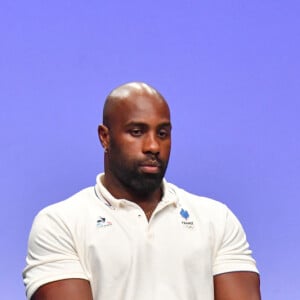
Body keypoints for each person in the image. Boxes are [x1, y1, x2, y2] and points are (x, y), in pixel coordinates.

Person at [23, 82, 261, 300]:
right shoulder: (60, 223)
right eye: (137, 132)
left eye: (163, 133)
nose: (153, 146)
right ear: (105, 137)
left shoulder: (217, 219)